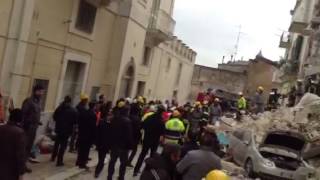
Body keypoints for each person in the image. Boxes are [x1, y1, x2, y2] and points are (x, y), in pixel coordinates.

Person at [133, 105, 166, 176]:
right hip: (155, 141)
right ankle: (147, 172)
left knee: (142, 155)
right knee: (152, 157)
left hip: (147, 139)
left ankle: (136, 170)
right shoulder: (161, 121)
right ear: (162, 112)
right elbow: (162, 132)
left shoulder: (149, 117)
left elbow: (142, 126)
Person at [21, 84, 45, 172]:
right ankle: (20, 165)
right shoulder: (29, 101)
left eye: (42, 92)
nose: (42, 94)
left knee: (29, 147)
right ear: (36, 91)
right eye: (40, 92)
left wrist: (37, 121)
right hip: (27, 129)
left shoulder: (38, 102)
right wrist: (25, 125)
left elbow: (34, 114)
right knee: (24, 147)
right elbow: (23, 114)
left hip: (34, 128)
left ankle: (24, 164)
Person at [107, 101, 133, 180]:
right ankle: (121, 177)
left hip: (114, 144)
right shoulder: (127, 121)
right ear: (126, 112)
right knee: (123, 163)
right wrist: (130, 145)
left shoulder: (114, 119)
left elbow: (110, 131)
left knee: (112, 161)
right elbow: (128, 135)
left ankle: (109, 176)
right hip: (123, 146)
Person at [51, 96, 78, 166]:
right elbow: (75, 121)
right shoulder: (73, 110)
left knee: (56, 144)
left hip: (59, 129)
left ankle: (53, 157)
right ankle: (59, 161)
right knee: (63, 146)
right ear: (70, 102)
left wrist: (58, 122)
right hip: (67, 131)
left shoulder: (59, 108)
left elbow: (54, 117)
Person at [0, 109, 26, 180]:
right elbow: (20, 155)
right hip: (11, 171)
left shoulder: (1, 128)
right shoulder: (20, 133)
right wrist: (21, 172)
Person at [76, 100, 97, 169]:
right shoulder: (93, 115)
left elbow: (79, 122)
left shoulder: (84, 112)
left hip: (82, 133)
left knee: (81, 148)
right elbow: (93, 127)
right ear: (93, 107)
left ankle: (78, 161)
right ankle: (83, 163)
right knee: (86, 150)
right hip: (88, 135)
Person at [95, 107, 112, 178]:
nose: (110, 116)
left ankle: (97, 171)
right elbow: (97, 133)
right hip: (102, 144)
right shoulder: (105, 123)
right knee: (101, 158)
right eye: (109, 114)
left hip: (103, 144)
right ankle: (98, 170)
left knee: (101, 158)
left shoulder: (108, 124)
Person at [127, 102, 142, 167]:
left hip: (128, 136)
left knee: (127, 149)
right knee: (134, 150)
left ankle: (125, 160)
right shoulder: (137, 119)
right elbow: (138, 129)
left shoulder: (128, 116)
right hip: (134, 137)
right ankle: (129, 161)